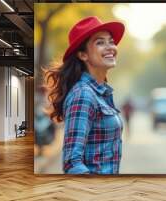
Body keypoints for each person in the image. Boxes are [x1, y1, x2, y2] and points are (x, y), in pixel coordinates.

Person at [44, 16, 125, 174]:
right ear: (83, 55)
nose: (110, 47)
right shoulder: (83, 95)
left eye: (111, 41)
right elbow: (72, 163)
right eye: (100, 42)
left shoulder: (101, 93)